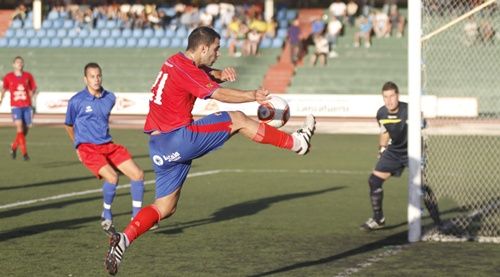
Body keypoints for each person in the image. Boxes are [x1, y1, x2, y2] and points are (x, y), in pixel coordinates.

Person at [104, 26, 316, 275]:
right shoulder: (186, 70)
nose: (218, 53)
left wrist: (219, 74)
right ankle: (297, 143)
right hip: (179, 139)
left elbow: (203, 74)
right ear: (203, 48)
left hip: (159, 148)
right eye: (216, 48)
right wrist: (252, 95)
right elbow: (217, 94)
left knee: (165, 207)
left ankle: (124, 239)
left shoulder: (175, 62)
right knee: (237, 118)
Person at [64, 62, 146, 236]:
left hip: (108, 145)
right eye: (92, 76)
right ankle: (106, 213)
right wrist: (77, 146)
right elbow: (69, 125)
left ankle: (136, 217)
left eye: (99, 75)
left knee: (138, 174)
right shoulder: (76, 101)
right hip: (88, 148)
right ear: (85, 79)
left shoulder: (110, 98)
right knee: (112, 177)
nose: (96, 79)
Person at [360, 81, 406, 231]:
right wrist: (382, 149)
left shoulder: (409, 110)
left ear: (397, 96)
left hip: (413, 152)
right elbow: (385, 132)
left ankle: (437, 221)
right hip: (394, 152)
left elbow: (423, 128)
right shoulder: (381, 113)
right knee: (374, 181)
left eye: (392, 96)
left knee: (422, 187)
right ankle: (378, 219)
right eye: (385, 97)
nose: (389, 100)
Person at [0, 56, 37, 161]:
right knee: (19, 128)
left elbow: (33, 88)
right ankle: (25, 154)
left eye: (21, 62)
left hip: (27, 106)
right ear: (13, 64)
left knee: (25, 131)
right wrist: (1, 99)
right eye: (17, 62)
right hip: (16, 106)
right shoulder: (8, 77)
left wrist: (32, 93)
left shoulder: (28, 76)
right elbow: (3, 89)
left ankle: (13, 146)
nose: (19, 64)